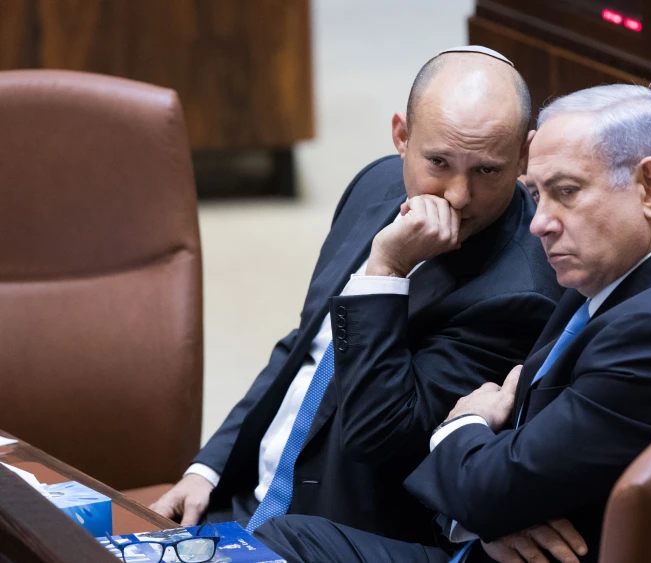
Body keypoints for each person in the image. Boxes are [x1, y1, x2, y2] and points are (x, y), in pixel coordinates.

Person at [254, 84, 651, 563]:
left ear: (650, 187)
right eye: (536, 195)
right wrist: (490, 508)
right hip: (498, 535)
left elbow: (489, 485)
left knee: (285, 545)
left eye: (566, 192)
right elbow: (500, 480)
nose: (539, 223)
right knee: (288, 537)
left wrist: (464, 423)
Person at [149, 47, 563, 546]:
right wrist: (209, 468)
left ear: (524, 156)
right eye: (438, 162)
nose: (457, 194)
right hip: (239, 503)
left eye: (487, 171)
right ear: (401, 137)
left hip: (330, 539)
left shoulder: (518, 294)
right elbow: (308, 345)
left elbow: (383, 435)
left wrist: (385, 271)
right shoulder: (375, 186)